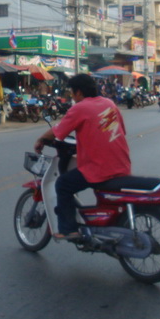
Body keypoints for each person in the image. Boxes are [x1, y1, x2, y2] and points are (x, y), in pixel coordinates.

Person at [34, 73, 131, 241]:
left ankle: (68, 229)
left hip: (100, 168)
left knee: (63, 185)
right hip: (122, 165)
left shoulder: (80, 108)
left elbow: (58, 130)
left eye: (72, 92)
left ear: (78, 92)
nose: (72, 96)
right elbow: (117, 130)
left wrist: (41, 140)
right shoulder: (109, 104)